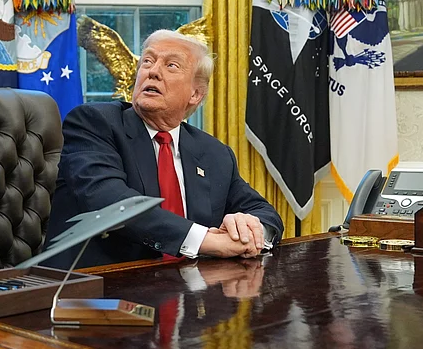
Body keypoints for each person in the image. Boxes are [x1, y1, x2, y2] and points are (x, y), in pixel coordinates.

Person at [41, 30, 283, 269]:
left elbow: (265, 213)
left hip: (188, 293)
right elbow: (112, 204)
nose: (153, 71)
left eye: (171, 65)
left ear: (195, 94)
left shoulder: (214, 153)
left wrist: (248, 230)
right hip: (94, 292)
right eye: (147, 61)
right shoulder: (94, 123)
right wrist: (206, 241)